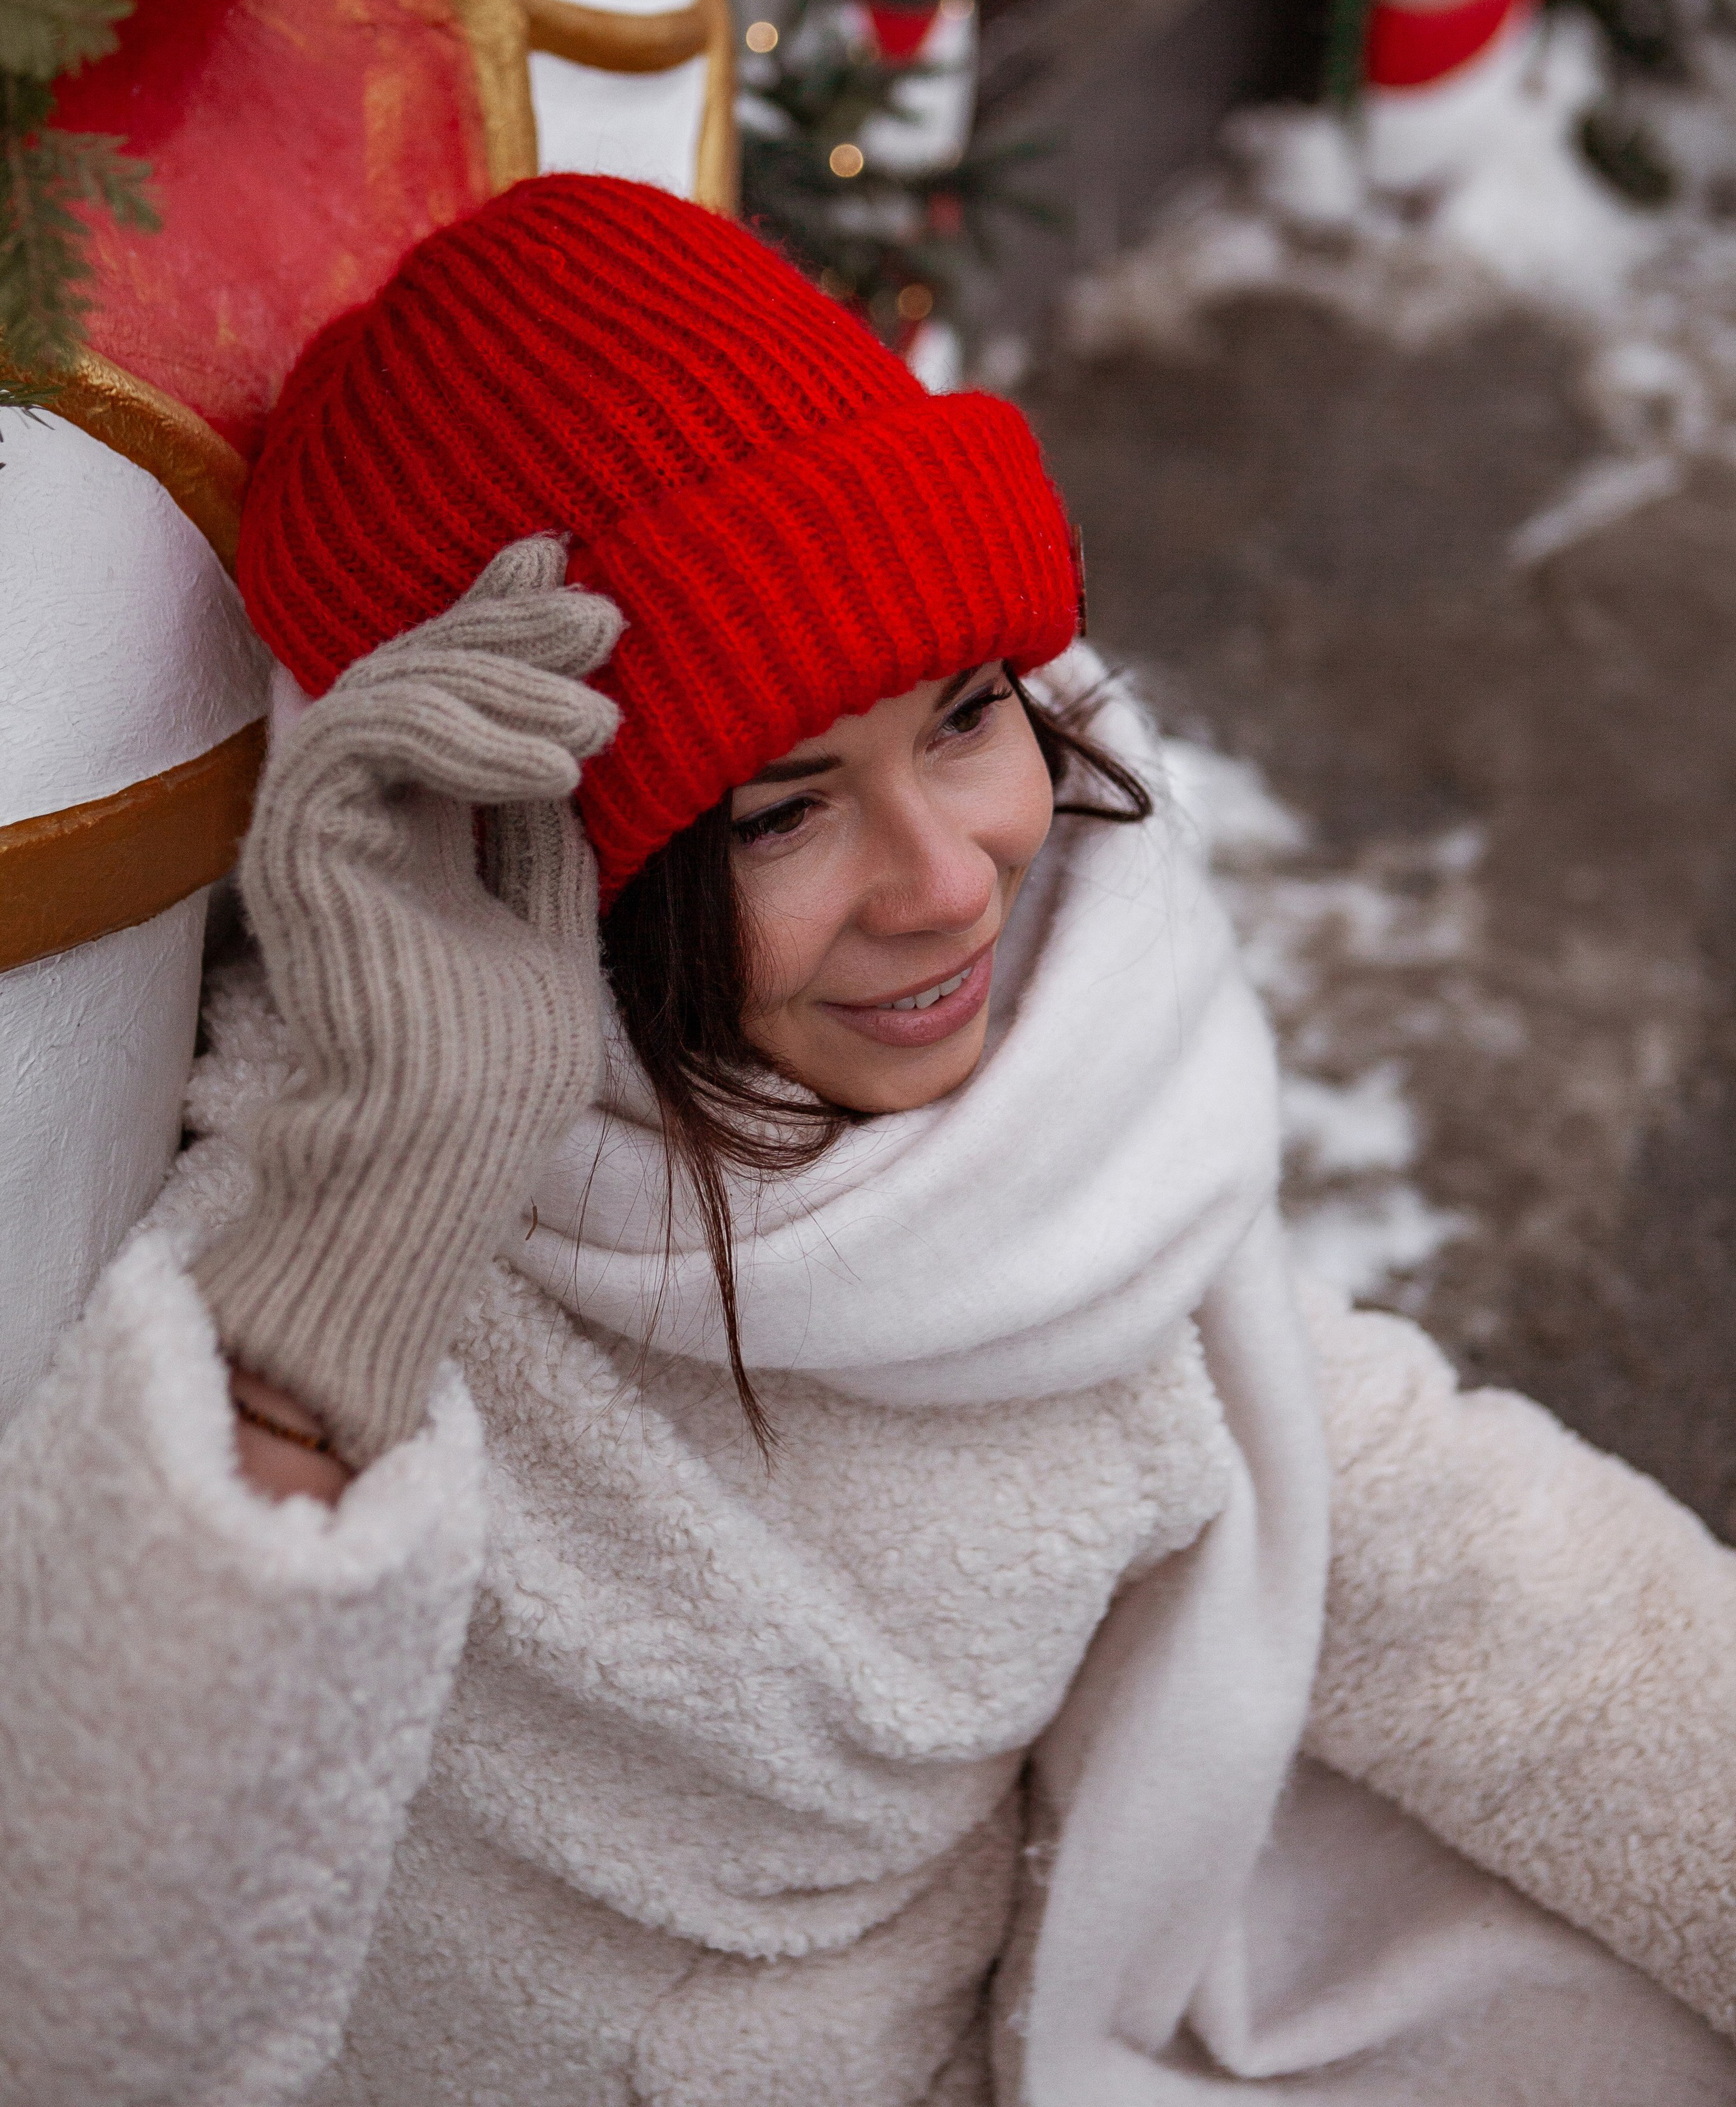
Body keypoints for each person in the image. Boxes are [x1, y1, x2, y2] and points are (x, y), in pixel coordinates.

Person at [3, 176, 1735, 2107]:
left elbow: (1504, 1602)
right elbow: (94, 2016)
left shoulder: (1080, 1145)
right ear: (497, 850)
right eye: (781, 810)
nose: (949, 884)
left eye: (968, 715)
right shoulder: (327, 1227)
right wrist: (376, 1227)